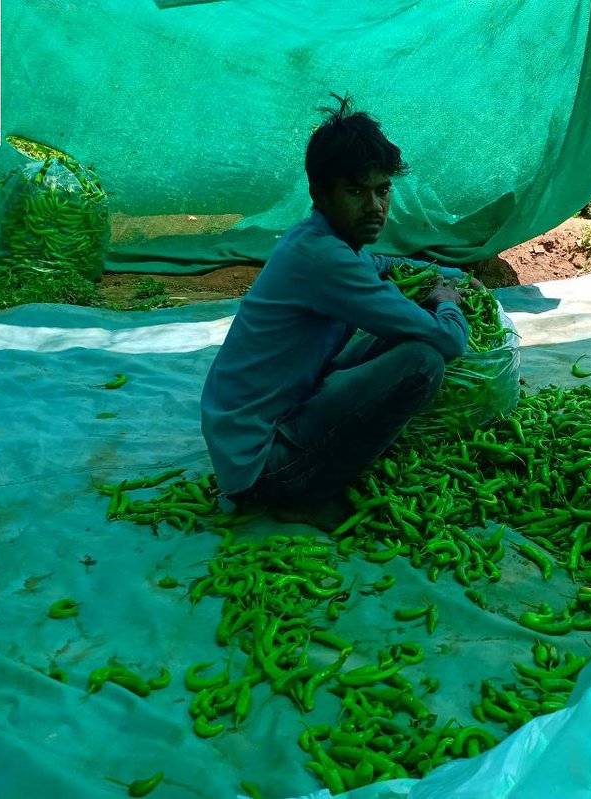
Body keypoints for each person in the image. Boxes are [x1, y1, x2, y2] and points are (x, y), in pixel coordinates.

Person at [201, 93, 481, 530]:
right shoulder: (324, 260)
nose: (375, 207)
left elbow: (385, 264)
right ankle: (306, 496)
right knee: (422, 361)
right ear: (320, 194)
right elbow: (450, 340)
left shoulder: (317, 243)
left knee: (403, 328)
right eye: (355, 191)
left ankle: (310, 466)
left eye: (383, 190)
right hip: (258, 465)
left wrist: (449, 272)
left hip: (259, 426)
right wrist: (446, 302)